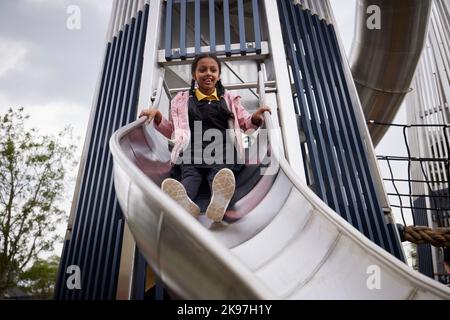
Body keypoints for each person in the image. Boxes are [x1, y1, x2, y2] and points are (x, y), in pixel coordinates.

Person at [139, 53, 270, 222]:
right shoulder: (181, 101)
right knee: (190, 175)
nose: (208, 73)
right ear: (194, 75)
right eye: (202, 70)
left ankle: (219, 201)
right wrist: (158, 117)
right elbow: (174, 130)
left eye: (213, 70)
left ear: (218, 75)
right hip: (191, 150)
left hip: (223, 149)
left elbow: (245, 122)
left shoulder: (229, 99)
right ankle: (183, 202)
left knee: (218, 173)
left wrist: (256, 118)